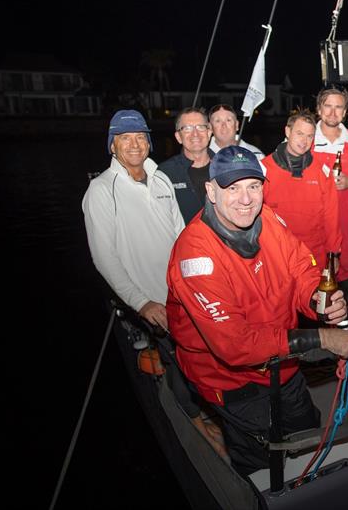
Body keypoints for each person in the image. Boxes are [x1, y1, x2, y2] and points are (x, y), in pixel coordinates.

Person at [165, 145, 348, 477]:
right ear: (211, 191)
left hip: (282, 363)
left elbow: (301, 268)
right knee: (262, 460)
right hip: (231, 380)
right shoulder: (196, 257)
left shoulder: (267, 218)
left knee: (308, 435)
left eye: (253, 186)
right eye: (233, 188)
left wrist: (318, 299)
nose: (246, 199)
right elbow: (235, 345)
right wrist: (321, 337)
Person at [82, 109, 228, 460]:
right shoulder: (101, 191)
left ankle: (217, 413)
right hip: (151, 302)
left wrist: (197, 282)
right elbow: (104, 258)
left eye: (139, 137)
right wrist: (142, 303)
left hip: (182, 292)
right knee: (177, 362)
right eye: (125, 138)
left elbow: (180, 235)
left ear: (148, 141)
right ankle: (197, 425)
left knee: (202, 354)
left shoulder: (160, 179)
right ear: (112, 145)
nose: (134, 144)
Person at [262, 109, 342, 274]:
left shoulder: (322, 172)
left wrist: (333, 254)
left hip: (314, 255)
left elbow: (331, 216)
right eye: (299, 133)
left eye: (309, 136)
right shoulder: (263, 169)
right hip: (275, 254)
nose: (304, 141)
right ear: (287, 131)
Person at [311, 86, 348, 316]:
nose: (333, 112)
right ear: (319, 109)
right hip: (313, 231)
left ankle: (344, 346)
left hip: (345, 229)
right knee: (312, 293)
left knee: (347, 292)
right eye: (328, 106)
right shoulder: (305, 139)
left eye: (339, 107)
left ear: (345, 112)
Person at [158, 107, 215, 223]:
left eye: (200, 127)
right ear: (178, 137)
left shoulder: (226, 167)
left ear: (209, 133)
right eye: (187, 129)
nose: (195, 134)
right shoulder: (165, 173)